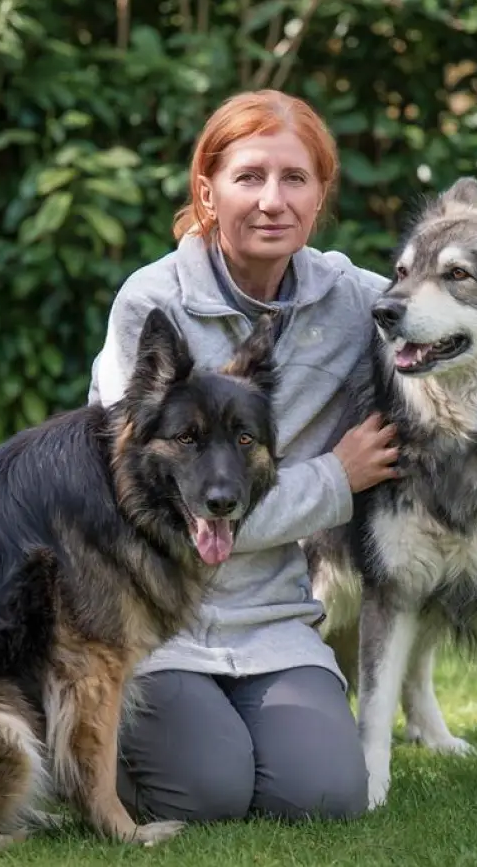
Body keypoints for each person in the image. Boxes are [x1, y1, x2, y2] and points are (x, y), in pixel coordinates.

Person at [86, 88, 402, 823]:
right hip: (153, 612)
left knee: (323, 798)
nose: (272, 201)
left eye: (295, 179)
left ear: (320, 196)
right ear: (207, 190)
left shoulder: (352, 300)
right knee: (205, 793)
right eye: (248, 177)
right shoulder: (151, 301)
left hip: (272, 619)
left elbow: (476, 326)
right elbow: (132, 502)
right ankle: (92, 750)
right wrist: (334, 481)